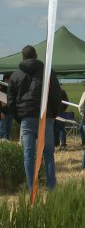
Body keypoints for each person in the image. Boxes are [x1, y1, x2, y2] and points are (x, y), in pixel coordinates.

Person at [7, 45, 62, 191]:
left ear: (22, 57)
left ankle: (32, 189)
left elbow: (11, 101)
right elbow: (57, 95)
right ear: (36, 55)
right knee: (48, 153)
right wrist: (53, 113)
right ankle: (52, 189)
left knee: (28, 154)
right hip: (45, 116)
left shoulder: (15, 75)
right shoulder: (48, 72)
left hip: (26, 118)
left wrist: (19, 118)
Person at [54, 84, 69, 149]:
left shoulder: (50, 91)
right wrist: (63, 109)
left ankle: (56, 143)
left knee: (54, 128)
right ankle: (62, 144)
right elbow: (67, 102)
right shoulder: (62, 91)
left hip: (53, 112)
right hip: (60, 112)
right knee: (61, 129)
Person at [0, 74, 13, 139]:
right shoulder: (2, 90)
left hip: (9, 112)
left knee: (8, 130)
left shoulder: (10, 89)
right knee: (2, 130)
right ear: (6, 80)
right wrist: (1, 112)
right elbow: (2, 103)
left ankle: (5, 145)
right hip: (3, 113)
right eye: (9, 80)